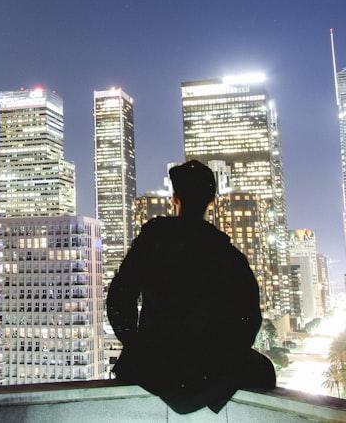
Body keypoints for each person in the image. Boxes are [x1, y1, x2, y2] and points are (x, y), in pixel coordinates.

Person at [106, 160, 276, 413]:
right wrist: (222, 359)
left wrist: (137, 346)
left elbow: (120, 297)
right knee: (264, 371)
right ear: (212, 200)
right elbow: (249, 316)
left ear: (175, 198)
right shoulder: (227, 254)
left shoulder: (152, 243)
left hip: (156, 364)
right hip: (209, 368)